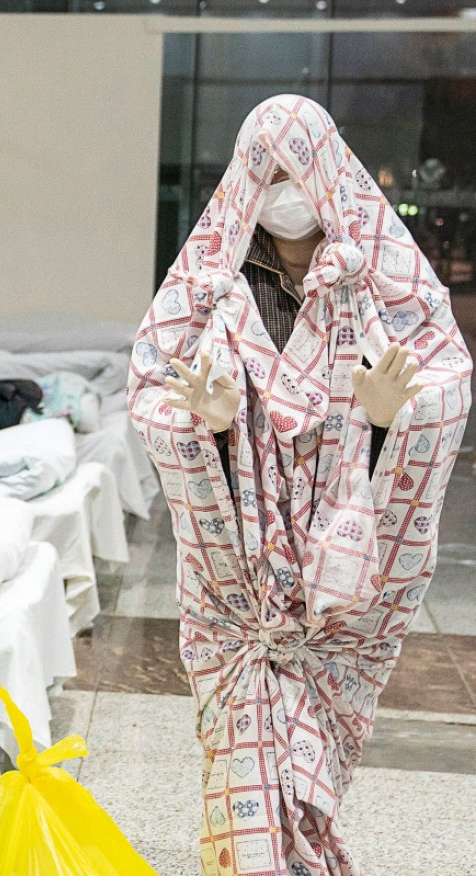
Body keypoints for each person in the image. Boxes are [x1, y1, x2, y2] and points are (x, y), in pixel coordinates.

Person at [128, 95, 470, 875]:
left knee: (315, 768)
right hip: (235, 590)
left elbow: (445, 377)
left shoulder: (383, 278)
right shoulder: (212, 277)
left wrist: (390, 419)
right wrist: (205, 426)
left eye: (298, 169)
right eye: (269, 171)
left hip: (338, 594)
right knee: (238, 763)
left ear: (330, 172)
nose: (285, 189)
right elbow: (151, 378)